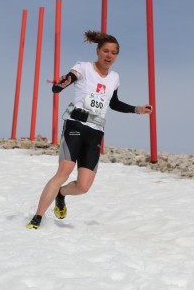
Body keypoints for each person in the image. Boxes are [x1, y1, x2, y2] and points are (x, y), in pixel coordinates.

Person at [27, 30, 153, 229]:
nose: (109, 56)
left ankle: (61, 194)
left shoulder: (115, 78)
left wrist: (137, 109)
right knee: (64, 171)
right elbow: (64, 83)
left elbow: (114, 103)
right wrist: (61, 84)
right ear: (97, 51)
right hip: (76, 125)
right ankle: (37, 217)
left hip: (96, 132)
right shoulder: (83, 68)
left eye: (113, 52)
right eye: (105, 51)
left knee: (84, 186)